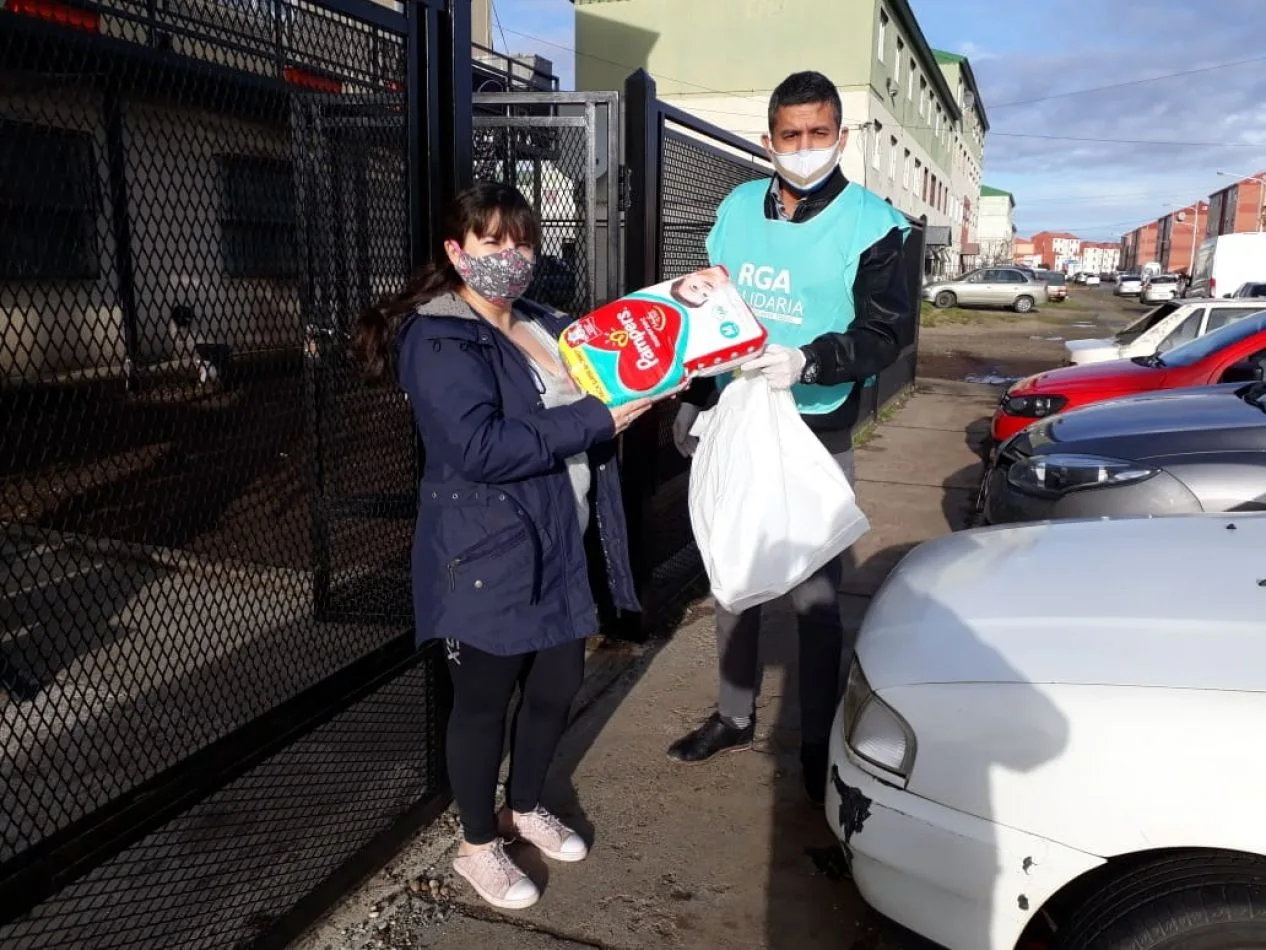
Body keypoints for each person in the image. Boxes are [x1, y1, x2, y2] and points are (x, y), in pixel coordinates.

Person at [355, 183, 650, 910]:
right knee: (484, 705)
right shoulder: (439, 336)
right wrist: (595, 423)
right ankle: (477, 846)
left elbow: (610, 384)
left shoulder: (548, 322)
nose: (511, 256)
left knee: (555, 690)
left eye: (521, 241)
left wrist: (657, 384)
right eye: (492, 243)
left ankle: (525, 807)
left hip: (558, 538)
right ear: (458, 253)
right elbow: (479, 446)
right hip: (485, 551)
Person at [666, 71, 912, 804]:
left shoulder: (874, 225)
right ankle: (734, 715)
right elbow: (714, 308)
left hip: (813, 426)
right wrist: (698, 395)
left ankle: (814, 743)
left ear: (840, 136)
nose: (804, 148)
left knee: (815, 597)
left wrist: (811, 359)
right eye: (790, 135)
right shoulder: (738, 208)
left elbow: (886, 332)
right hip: (740, 418)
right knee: (734, 583)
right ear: (768, 140)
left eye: (819, 133)